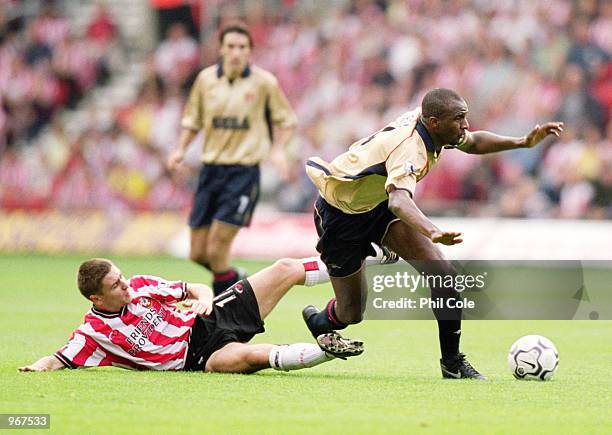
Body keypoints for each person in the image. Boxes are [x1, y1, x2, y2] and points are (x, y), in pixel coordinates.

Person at [302, 88, 564, 380]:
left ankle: (452, 363)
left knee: (443, 274)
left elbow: (474, 142)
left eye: (465, 117)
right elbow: (399, 201)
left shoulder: (436, 127)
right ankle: (319, 319)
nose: (465, 125)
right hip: (342, 215)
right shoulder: (410, 148)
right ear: (434, 121)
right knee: (351, 314)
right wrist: (432, 230)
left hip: (377, 205)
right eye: (459, 119)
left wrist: (523, 142)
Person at [18, 255, 364, 374]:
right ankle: (329, 350)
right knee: (253, 357)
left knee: (285, 268)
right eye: (115, 285)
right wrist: (38, 366)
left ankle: (361, 260)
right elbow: (58, 359)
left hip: (209, 318)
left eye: (121, 277)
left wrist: (206, 298)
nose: (125, 285)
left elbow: (195, 288)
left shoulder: (141, 285)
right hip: (199, 356)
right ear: (97, 297)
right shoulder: (92, 335)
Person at [167, 23, 297, 295]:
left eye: (242, 47)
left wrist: (278, 150)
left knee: (217, 248)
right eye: (231, 46)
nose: (236, 52)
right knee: (198, 252)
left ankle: (223, 314)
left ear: (250, 51)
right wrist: (180, 149)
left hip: (243, 173)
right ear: (221, 49)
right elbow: (193, 120)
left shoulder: (264, 83)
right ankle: (237, 279)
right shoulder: (205, 80)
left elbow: (286, 121)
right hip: (210, 171)